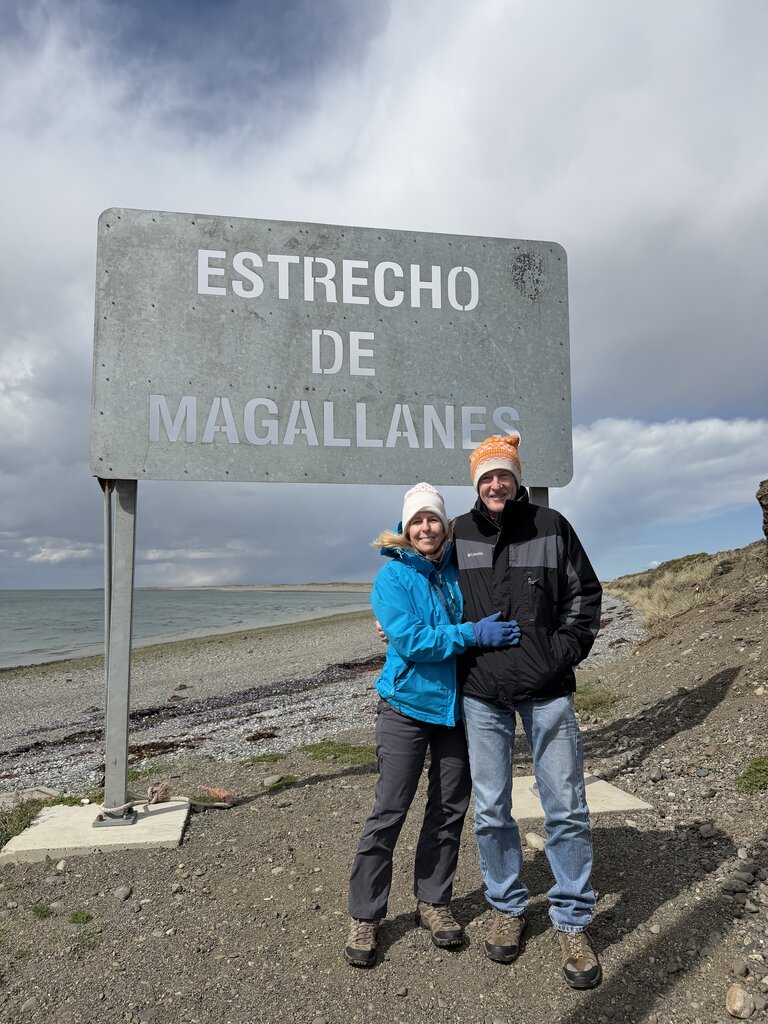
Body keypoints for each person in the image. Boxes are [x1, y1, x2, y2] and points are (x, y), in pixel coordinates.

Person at [345, 482, 520, 968]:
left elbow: (491, 604)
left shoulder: (463, 568)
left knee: (448, 809)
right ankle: (365, 915)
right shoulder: (392, 577)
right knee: (389, 810)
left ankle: (433, 902)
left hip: (457, 709)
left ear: (445, 525)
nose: (426, 527)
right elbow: (412, 640)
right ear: (406, 528)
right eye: (417, 520)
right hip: (405, 705)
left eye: (433, 519)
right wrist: (470, 633)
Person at [454, 434, 603, 989]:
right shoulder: (459, 533)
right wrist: (391, 616)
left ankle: (572, 919)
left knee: (566, 807)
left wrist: (560, 653)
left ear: (517, 479)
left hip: (549, 689)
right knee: (491, 809)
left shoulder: (551, 525)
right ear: (476, 483)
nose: (496, 484)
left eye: (504, 475)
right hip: (482, 691)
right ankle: (507, 905)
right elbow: (428, 587)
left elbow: (584, 596)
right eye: (487, 476)